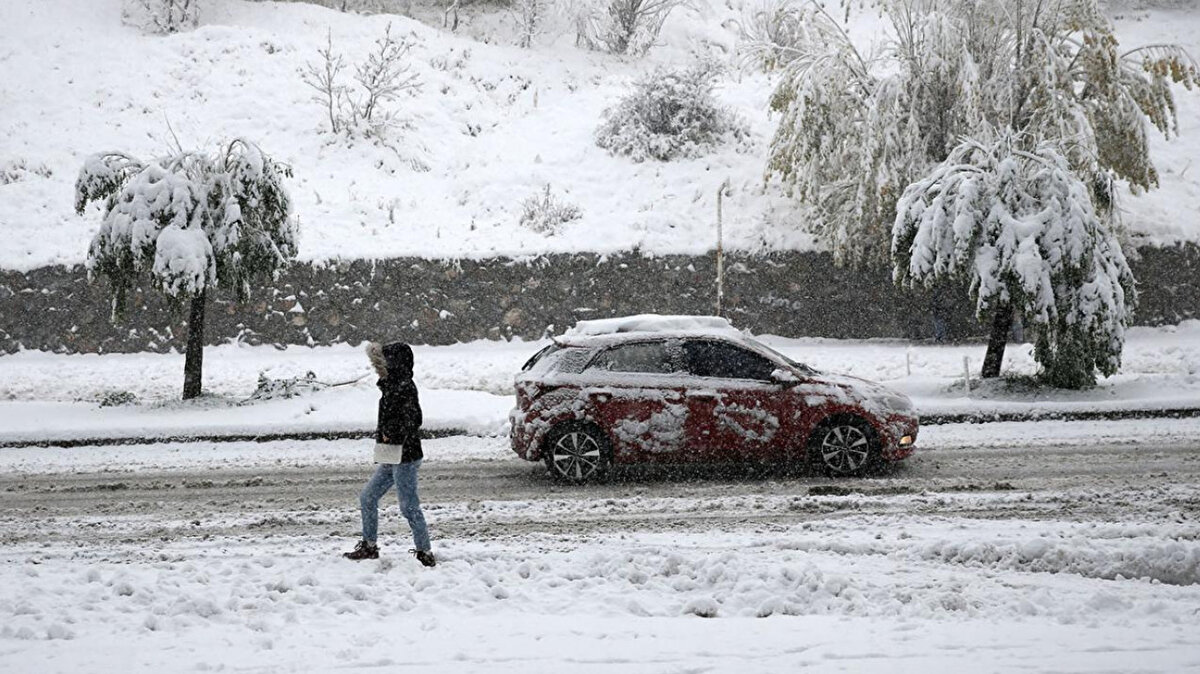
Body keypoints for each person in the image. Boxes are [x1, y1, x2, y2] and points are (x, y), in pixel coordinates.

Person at [344, 342, 436, 567]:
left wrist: (391, 434)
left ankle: (425, 552)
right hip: (391, 454)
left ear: (393, 363)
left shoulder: (404, 386)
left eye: (381, 362)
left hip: (406, 456)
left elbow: (413, 420)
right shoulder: (390, 385)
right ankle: (369, 546)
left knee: (409, 506)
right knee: (367, 498)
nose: (377, 368)